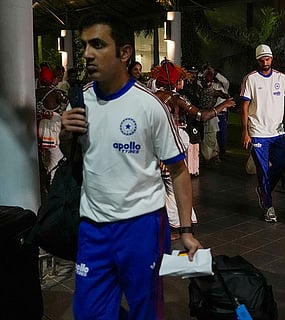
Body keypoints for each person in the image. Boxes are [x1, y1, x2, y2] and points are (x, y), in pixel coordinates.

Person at [60, 13, 202, 319]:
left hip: (142, 228)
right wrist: (64, 134)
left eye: (97, 44)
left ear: (124, 53)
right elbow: (71, 157)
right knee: (89, 312)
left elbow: (178, 170)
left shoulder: (149, 106)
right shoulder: (80, 101)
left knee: (145, 309)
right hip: (93, 229)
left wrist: (186, 231)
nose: (86, 54)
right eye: (84, 45)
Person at [151, 60, 235, 239]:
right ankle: (176, 227)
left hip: (153, 149)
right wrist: (222, 106)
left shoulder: (149, 98)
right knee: (174, 187)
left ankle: (168, 226)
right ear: (175, 82)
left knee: (162, 188)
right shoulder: (177, 99)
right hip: (170, 148)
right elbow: (202, 116)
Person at [240, 44, 285, 223]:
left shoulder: (281, 78)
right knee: (263, 171)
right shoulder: (251, 79)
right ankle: (269, 207)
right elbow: (245, 106)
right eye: (262, 59)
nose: (265, 62)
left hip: (278, 132)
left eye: (268, 58)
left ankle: (263, 191)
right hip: (257, 132)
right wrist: (245, 131)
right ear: (258, 60)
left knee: (279, 167)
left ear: (272, 59)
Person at [35, 64, 69, 201]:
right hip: (52, 130)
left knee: (46, 159)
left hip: (39, 128)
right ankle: (53, 187)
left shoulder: (35, 92)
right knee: (57, 158)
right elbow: (68, 104)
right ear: (51, 79)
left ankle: (46, 185)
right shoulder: (56, 93)